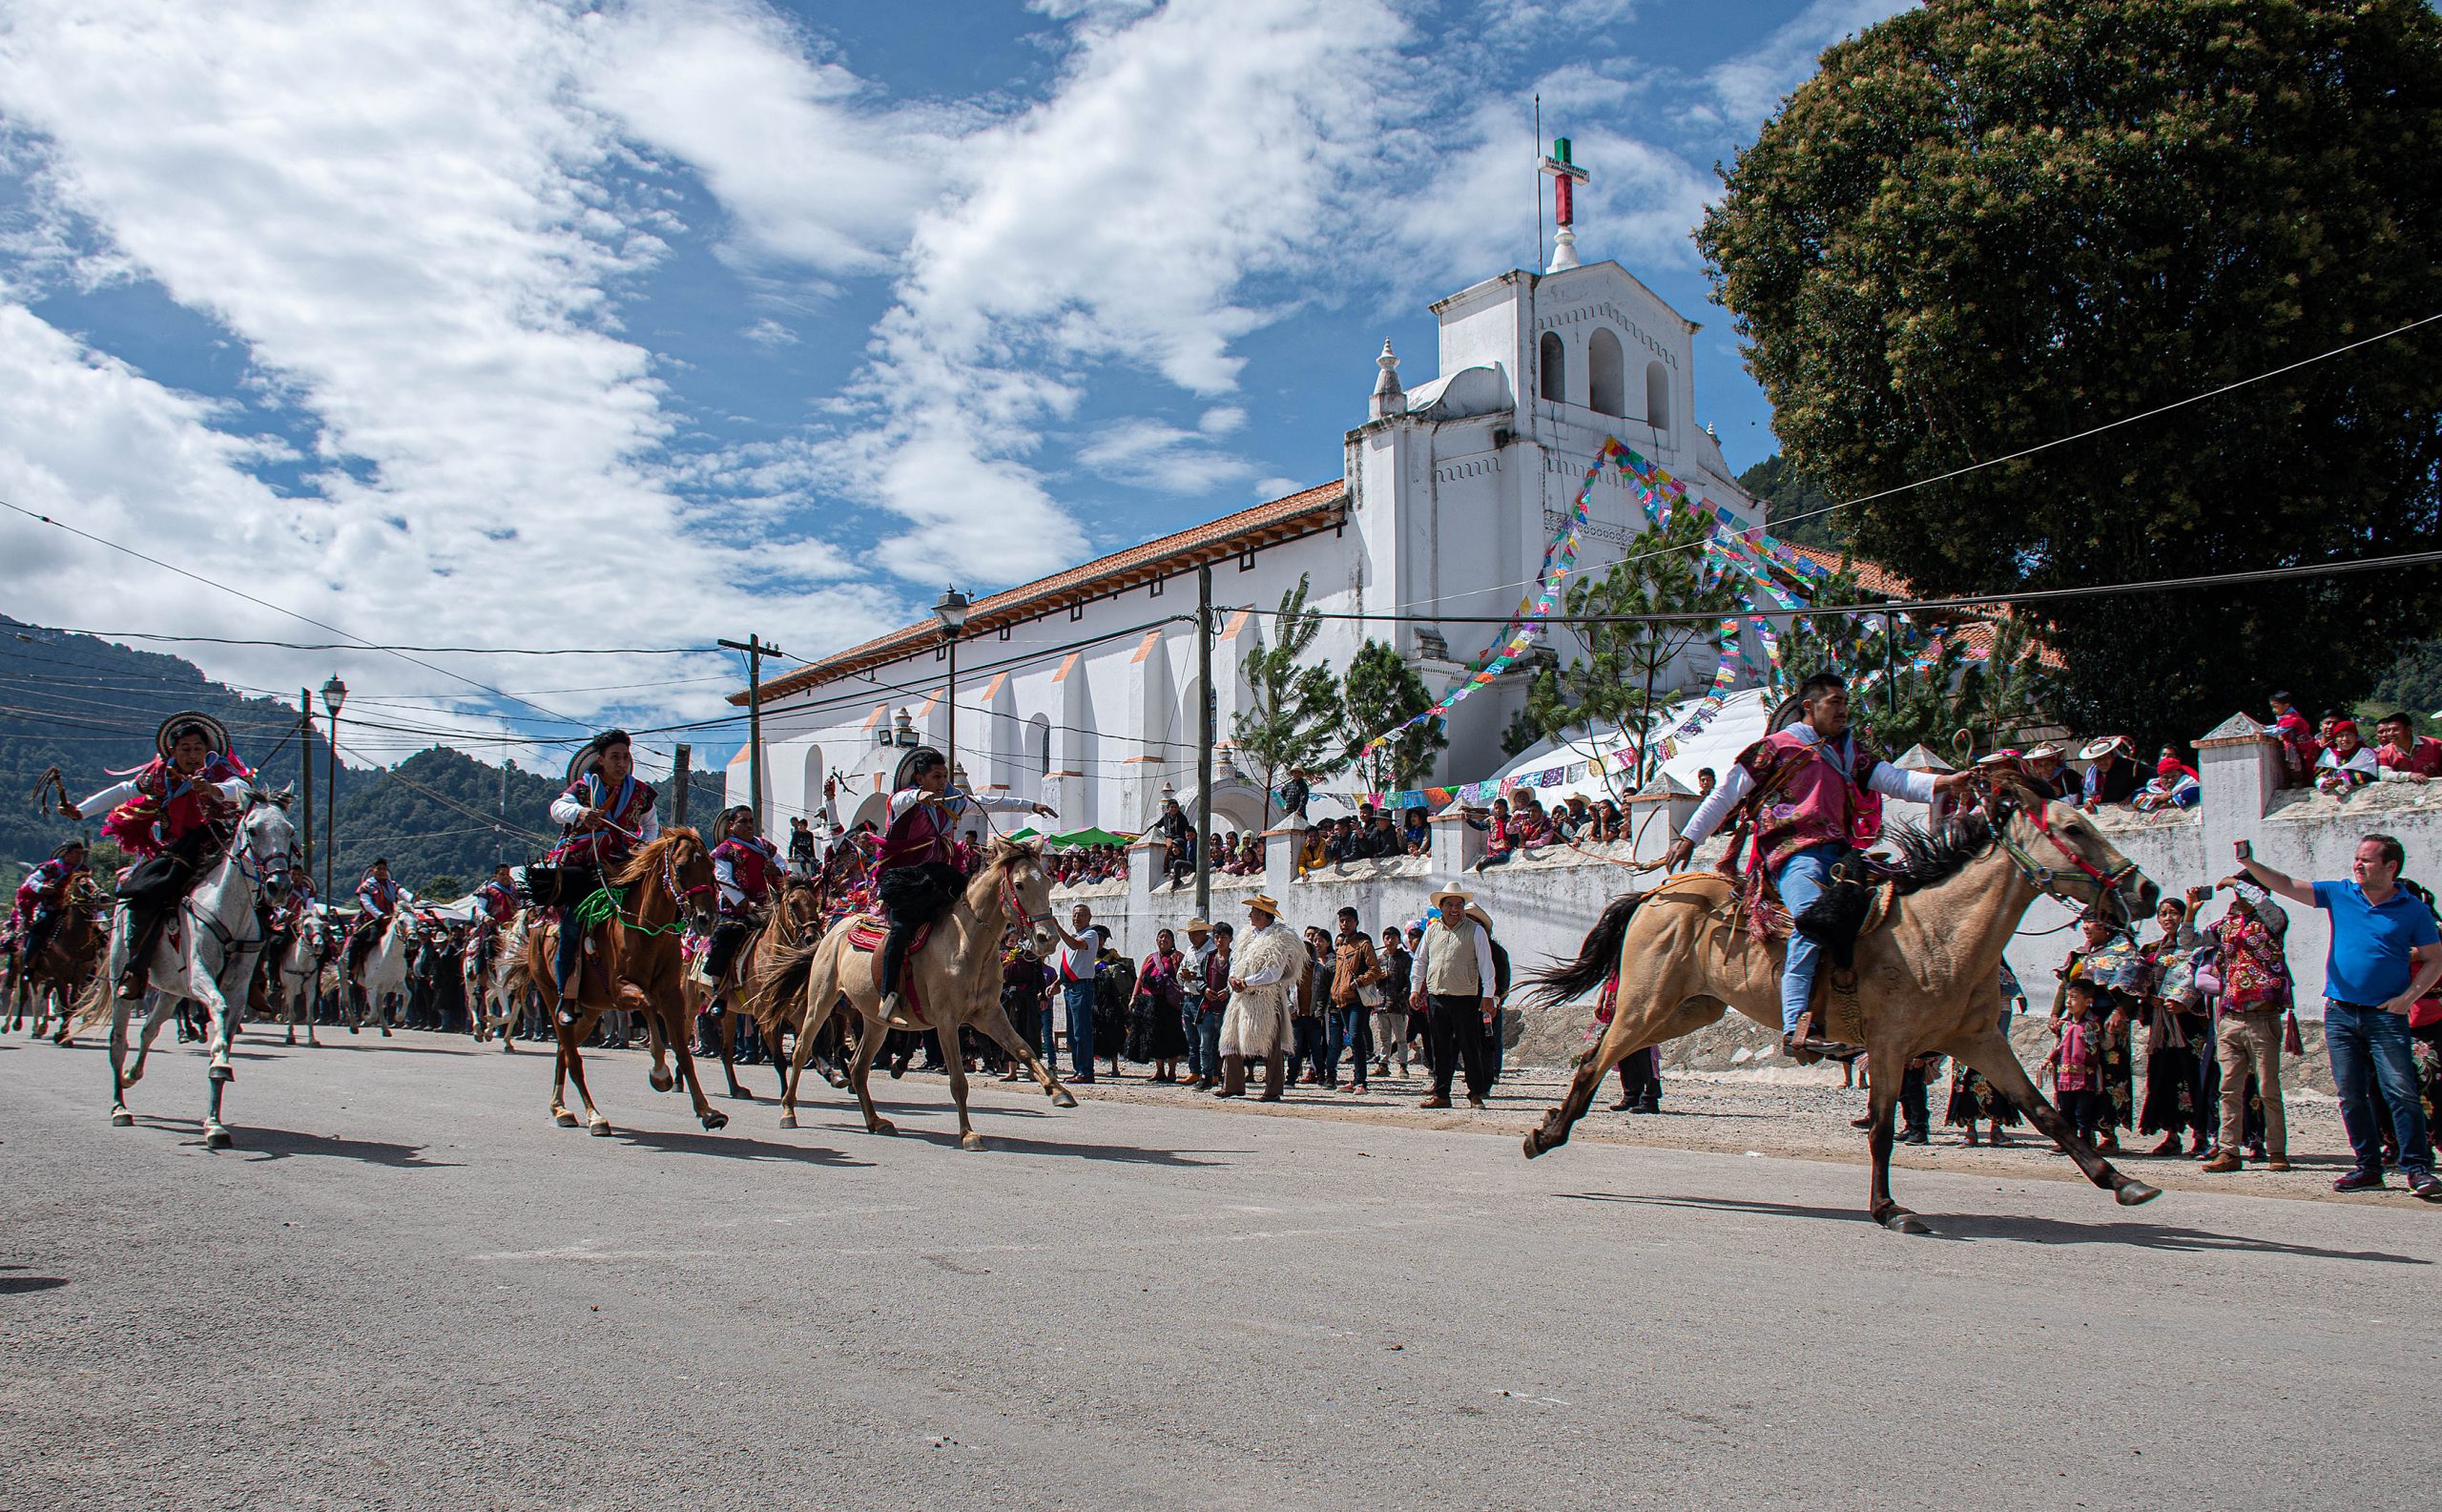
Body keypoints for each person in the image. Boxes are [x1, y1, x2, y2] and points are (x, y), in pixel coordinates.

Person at [1663, 671, 1972, 1059]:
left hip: (1843, 855)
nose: (1844, 711)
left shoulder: (1849, 751)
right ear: (1809, 707)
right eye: (1835, 703)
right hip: (1793, 855)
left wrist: (1947, 783)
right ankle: (1796, 1027)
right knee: (1813, 921)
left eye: (1845, 703)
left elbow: (1893, 779)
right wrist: (1690, 836)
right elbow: (1727, 793)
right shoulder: (1774, 748)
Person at [2233, 833, 2442, 1196]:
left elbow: (2435, 959)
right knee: (2350, 1094)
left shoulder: (2413, 909)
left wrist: (2408, 998)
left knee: (2400, 1091)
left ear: (2390, 867)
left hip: (2385, 1015)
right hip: (2341, 1012)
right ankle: (2367, 1167)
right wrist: (2250, 864)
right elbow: (2285, 885)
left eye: (2367, 860)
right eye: (2357, 858)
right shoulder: (2340, 893)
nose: (2357, 865)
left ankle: (2417, 1169)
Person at [61, 714, 256, 998]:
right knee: (143, 896)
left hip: (219, 848)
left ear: (208, 750)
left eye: (198, 749)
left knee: (259, 895)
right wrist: (80, 811)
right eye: (185, 749)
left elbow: (243, 788)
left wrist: (214, 789)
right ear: (173, 751)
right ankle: (136, 970)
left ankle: (256, 981)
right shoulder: (161, 774)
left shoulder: (220, 771)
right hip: (176, 851)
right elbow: (125, 790)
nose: (192, 755)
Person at [869, 746, 1054, 1026]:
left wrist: (1030, 806)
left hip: (936, 874)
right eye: (935, 776)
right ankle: (889, 996)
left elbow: (988, 802)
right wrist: (920, 796)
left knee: (971, 907)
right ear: (919, 778)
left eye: (944, 776)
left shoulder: (953, 801)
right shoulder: (902, 801)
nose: (942, 782)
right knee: (900, 929)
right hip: (904, 879)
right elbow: (903, 800)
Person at [2200, 878, 2292, 1172]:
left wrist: (2239, 882)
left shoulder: (2273, 921)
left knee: (2267, 1088)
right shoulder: (2226, 925)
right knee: (2229, 1088)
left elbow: (2265, 906)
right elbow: (2190, 941)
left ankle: (2277, 1150)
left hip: (2262, 1018)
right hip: (2231, 1016)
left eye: (2243, 890)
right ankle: (2229, 1150)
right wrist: (2190, 912)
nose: (2237, 895)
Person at [1416, 884, 1499, 1109]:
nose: (1455, 909)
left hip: (1465, 997)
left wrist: (1488, 994)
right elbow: (1420, 961)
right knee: (1440, 1047)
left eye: (1459, 905)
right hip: (1437, 996)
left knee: (1470, 1046)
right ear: (1441, 908)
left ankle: (1475, 1093)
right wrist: (1416, 988)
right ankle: (1442, 1093)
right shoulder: (1431, 931)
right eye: (1450, 905)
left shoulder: (1475, 931)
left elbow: (1485, 965)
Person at [1217, 897, 1299, 1100]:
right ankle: (1233, 1084)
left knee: (1271, 1043)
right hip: (1242, 996)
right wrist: (1234, 979)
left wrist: (1246, 981)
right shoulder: (1247, 935)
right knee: (1232, 1039)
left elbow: (1274, 972)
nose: (1249, 914)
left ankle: (1273, 1089)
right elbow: (1235, 960)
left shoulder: (1280, 938)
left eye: (1253, 911)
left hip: (1267, 996)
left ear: (1263, 914)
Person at [702, 806, 780, 1005]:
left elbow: (783, 865)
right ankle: (719, 991)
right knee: (726, 934)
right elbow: (722, 879)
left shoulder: (765, 847)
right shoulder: (725, 850)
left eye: (751, 821)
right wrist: (746, 904)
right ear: (731, 826)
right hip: (737, 910)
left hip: (769, 908)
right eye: (743, 821)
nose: (748, 825)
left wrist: (777, 870)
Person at [1944, 962, 2023, 1145]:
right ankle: (1970, 1131)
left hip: (1991, 1042)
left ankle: (1996, 1129)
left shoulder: (2001, 974)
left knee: (1997, 1085)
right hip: (1965, 1041)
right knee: (1965, 1086)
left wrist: (1998, 1040)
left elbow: (2005, 1008)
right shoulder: (1962, 972)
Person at [8, 839, 86, 983]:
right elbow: (32, 880)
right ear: (66, 853)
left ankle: (90, 967)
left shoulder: (82, 871)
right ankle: (29, 966)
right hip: (50, 908)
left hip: (74, 909)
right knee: (38, 930)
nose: (79, 856)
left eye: (81, 853)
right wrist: (41, 888)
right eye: (76, 853)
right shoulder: (51, 868)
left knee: (96, 934)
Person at [1328, 906, 1382, 1094]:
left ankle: (1361, 1081)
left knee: (1356, 1036)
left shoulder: (1364, 944)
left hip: (1358, 998)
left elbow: (1375, 970)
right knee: (1353, 1038)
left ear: (1356, 922)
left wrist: (1357, 982)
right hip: (1342, 999)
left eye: (1348, 921)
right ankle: (1356, 1078)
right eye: (1342, 921)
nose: (1344, 924)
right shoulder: (1341, 947)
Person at [1050, 902, 1104, 1083]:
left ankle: (1086, 1071)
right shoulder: (1073, 935)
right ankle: (1078, 1069)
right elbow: (1069, 964)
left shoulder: (1091, 934)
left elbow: (1075, 945)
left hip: (1082, 987)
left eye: (1081, 915)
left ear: (1089, 917)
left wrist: (1057, 927)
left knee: (1082, 1031)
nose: (1077, 918)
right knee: (1073, 1033)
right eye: (1074, 915)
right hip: (1070, 987)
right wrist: (1057, 982)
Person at [1195, 922, 1232, 1090]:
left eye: (1223, 937)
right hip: (1209, 1007)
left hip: (1228, 1009)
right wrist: (1205, 990)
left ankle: (1226, 1076)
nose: (1220, 941)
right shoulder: (1208, 958)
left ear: (1230, 939)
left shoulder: (1235, 958)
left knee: (1226, 1046)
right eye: (1217, 937)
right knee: (1205, 1045)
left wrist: (1229, 991)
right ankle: (1206, 1076)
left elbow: (1239, 979)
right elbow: (1200, 979)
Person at [1375, 923, 1413, 1077]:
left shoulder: (1404, 958)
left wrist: (1400, 998)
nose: (1390, 941)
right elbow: (1374, 982)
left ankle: (1403, 1065)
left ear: (1399, 940)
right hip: (1381, 1005)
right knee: (1384, 1037)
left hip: (1397, 1005)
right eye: (1387, 937)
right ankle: (1383, 1064)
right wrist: (1379, 978)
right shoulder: (1380, 959)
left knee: (1401, 1038)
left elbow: (1408, 981)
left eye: (1393, 938)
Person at [2314, 720, 2380, 794]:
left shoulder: (2365, 753)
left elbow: (2369, 775)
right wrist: (2325, 782)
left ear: (2356, 737)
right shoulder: (2328, 753)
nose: (2345, 739)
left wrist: (2343, 781)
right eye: (2340, 735)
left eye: (2349, 735)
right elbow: (2318, 774)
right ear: (2335, 740)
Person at [2374, 712, 2441, 783]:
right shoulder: (2385, 752)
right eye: (2389, 730)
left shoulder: (2434, 744)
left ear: (2408, 730)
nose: (2391, 734)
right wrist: (2409, 776)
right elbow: (2384, 775)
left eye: (2396, 730)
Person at [2080, 736, 2139, 809]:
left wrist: (2133, 796)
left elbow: (2148, 786)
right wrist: (2088, 801)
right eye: (2097, 759)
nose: (2102, 762)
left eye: (2105, 757)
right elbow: (2087, 793)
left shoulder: (2130, 768)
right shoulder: (2091, 773)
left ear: (2112, 756)